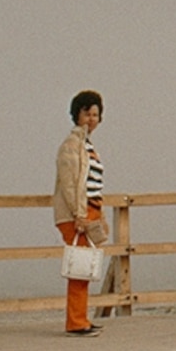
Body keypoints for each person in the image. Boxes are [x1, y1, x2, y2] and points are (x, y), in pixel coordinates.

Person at [53, 90, 109, 336]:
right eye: (87, 113)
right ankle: (76, 322)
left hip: (91, 211)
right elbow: (69, 183)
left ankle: (81, 317)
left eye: (96, 114)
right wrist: (78, 214)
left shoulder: (87, 145)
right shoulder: (71, 145)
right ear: (77, 114)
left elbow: (93, 184)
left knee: (86, 268)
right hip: (79, 214)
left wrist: (100, 215)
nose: (91, 118)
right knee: (79, 268)